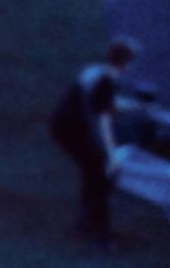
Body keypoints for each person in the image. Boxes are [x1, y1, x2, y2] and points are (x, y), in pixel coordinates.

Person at [48, 36, 137, 247]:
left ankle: (85, 224)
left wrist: (133, 106)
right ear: (127, 63)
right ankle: (102, 235)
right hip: (71, 132)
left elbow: (101, 101)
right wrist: (113, 156)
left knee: (92, 173)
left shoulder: (96, 71)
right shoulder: (106, 81)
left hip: (61, 126)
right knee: (101, 175)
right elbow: (104, 123)